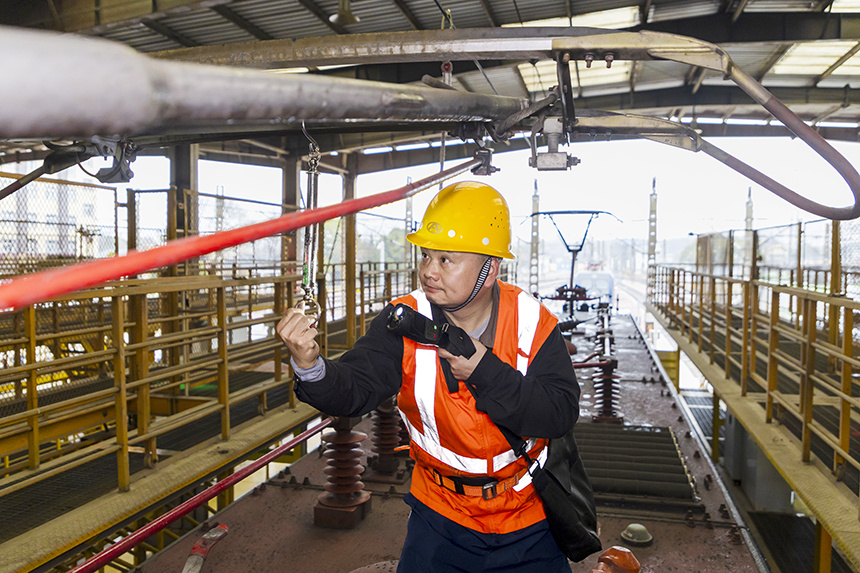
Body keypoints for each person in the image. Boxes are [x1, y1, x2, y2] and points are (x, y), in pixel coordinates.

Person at [277, 181, 581, 572]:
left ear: (490, 269)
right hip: (439, 518)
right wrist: (310, 364)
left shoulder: (532, 322)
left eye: (445, 260)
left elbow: (559, 413)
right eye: (425, 256)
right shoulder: (403, 320)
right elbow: (352, 392)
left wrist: (485, 372)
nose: (428, 272)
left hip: (527, 517)